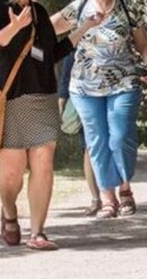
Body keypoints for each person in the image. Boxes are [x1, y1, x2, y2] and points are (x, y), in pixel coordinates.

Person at [0, 0, 103, 250]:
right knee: (12, 169)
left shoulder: (38, 11)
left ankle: (38, 232)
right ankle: (9, 211)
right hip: (10, 98)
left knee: (44, 161)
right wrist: (15, 27)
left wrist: (85, 28)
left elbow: (53, 54)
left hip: (42, 96)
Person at [52, 0, 147, 219]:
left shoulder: (127, 6)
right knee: (96, 141)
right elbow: (48, 28)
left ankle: (126, 189)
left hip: (123, 82)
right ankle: (108, 198)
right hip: (85, 86)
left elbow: (143, 44)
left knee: (119, 137)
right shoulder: (79, 7)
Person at [57, 53, 101, 216]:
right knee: (89, 149)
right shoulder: (74, 50)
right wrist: (61, 109)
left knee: (96, 148)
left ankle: (109, 197)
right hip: (84, 105)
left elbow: (63, 85)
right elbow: (65, 82)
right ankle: (96, 198)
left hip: (104, 101)